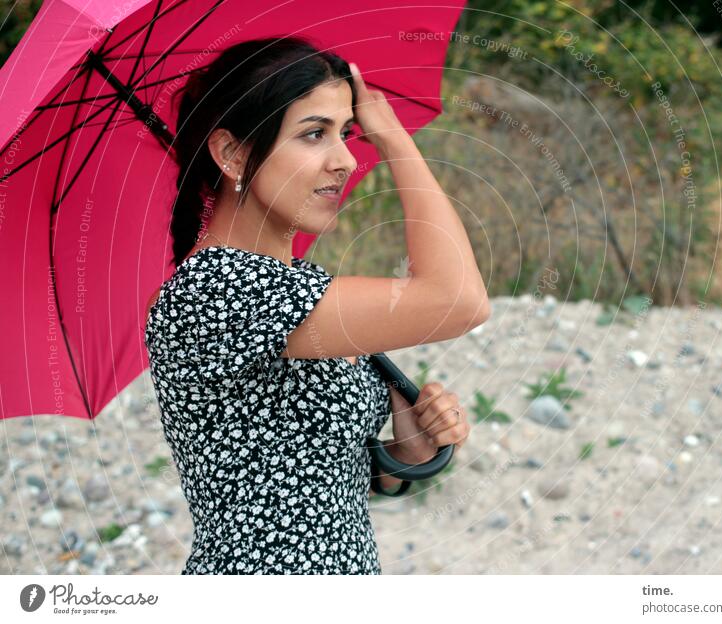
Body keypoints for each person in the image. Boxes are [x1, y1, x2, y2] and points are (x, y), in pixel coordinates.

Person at [143, 36, 490, 574]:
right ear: (231, 153)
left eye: (348, 133)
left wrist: (406, 456)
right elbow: (459, 301)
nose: (349, 159)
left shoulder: (295, 285)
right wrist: (394, 138)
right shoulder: (218, 288)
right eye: (314, 135)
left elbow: (318, 482)